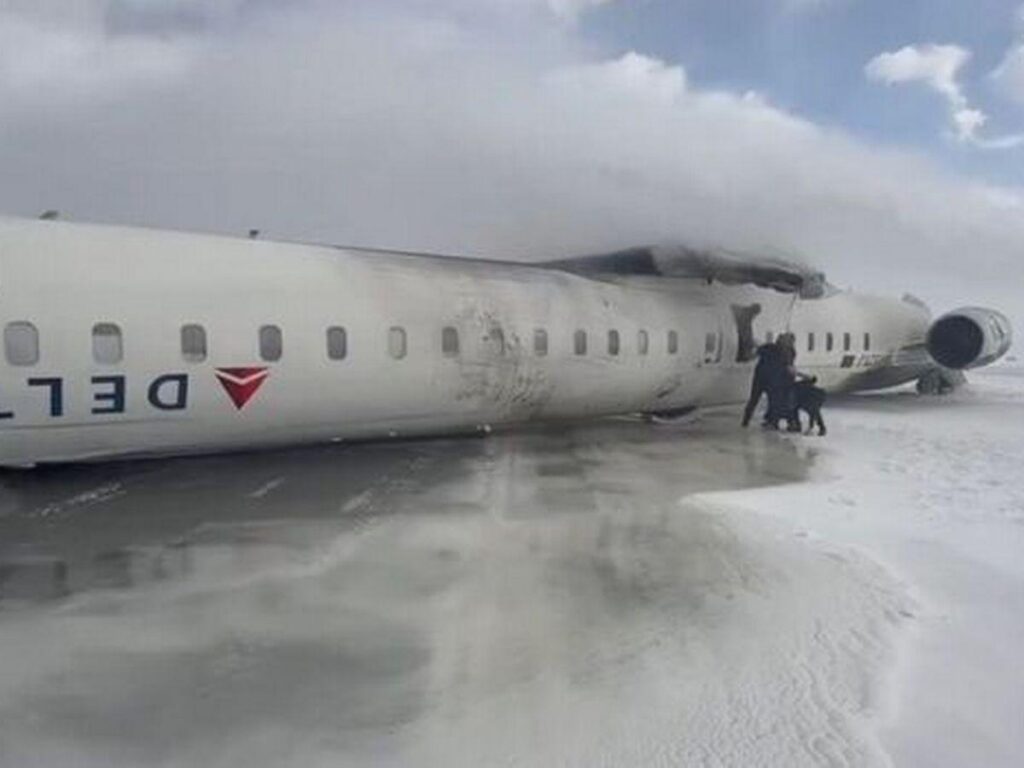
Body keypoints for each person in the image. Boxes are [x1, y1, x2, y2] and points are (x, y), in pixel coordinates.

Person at [741, 336, 780, 427]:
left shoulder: (765, 347)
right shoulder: (781, 351)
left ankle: (746, 420)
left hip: (759, 377)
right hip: (771, 379)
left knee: (753, 399)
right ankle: (773, 421)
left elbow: (751, 357)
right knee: (773, 400)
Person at [766, 333, 800, 431]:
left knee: (779, 402)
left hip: (782, 380)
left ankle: (776, 422)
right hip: (786, 380)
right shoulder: (789, 350)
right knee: (787, 403)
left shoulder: (785, 351)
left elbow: (787, 364)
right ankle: (790, 423)